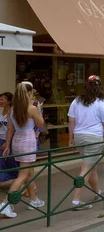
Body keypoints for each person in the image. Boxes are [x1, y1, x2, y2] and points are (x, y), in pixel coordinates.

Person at [68, 75, 104, 210]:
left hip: (79, 136)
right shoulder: (101, 102)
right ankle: (76, 201)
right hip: (93, 138)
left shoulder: (76, 101)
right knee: (86, 168)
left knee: (91, 166)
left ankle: (97, 192)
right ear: (100, 87)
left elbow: (71, 121)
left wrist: (71, 138)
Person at [0, 83, 45, 218]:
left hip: (16, 141)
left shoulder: (12, 109)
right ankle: (5, 204)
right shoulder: (31, 108)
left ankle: (34, 200)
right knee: (23, 175)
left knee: (26, 172)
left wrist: (8, 145)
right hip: (28, 140)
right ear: (29, 93)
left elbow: (10, 129)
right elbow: (40, 124)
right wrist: (38, 109)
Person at [0, 92, 18, 185]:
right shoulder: (1, 112)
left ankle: (18, 180)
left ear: (9, 101)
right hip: (1, 137)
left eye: (3, 99)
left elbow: (13, 128)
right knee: (2, 161)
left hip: (9, 140)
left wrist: (7, 143)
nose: (0, 101)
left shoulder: (12, 112)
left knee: (10, 160)